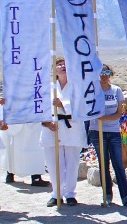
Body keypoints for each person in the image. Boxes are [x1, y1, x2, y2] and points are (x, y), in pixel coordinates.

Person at [87, 64, 127, 208]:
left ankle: (126, 197)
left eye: (107, 72)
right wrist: (99, 118)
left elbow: (118, 113)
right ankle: (107, 194)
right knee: (103, 164)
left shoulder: (116, 90)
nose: (104, 75)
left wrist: (103, 119)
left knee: (118, 164)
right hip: (97, 131)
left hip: (114, 131)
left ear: (110, 74)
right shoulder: (92, 91)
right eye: (101, 72)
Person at [41, 57, 87, 207]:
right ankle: (56, 193)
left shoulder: (77, 87)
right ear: (54, 70)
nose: (62, 66)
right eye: (59, 64)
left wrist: (63, 105)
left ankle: (70, 194)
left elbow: (82, 107)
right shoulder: (47, 88)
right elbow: (40, 108)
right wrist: (46, 122)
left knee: (72, 163)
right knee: (54, 164)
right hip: (51, 128)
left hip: (71, 127)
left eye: (65, 64)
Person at [0, 95, 50, 187]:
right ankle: (35, 178)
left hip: (17, 113)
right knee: (31, 146)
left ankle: (11, 174)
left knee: (17, 146)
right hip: (25, 113)